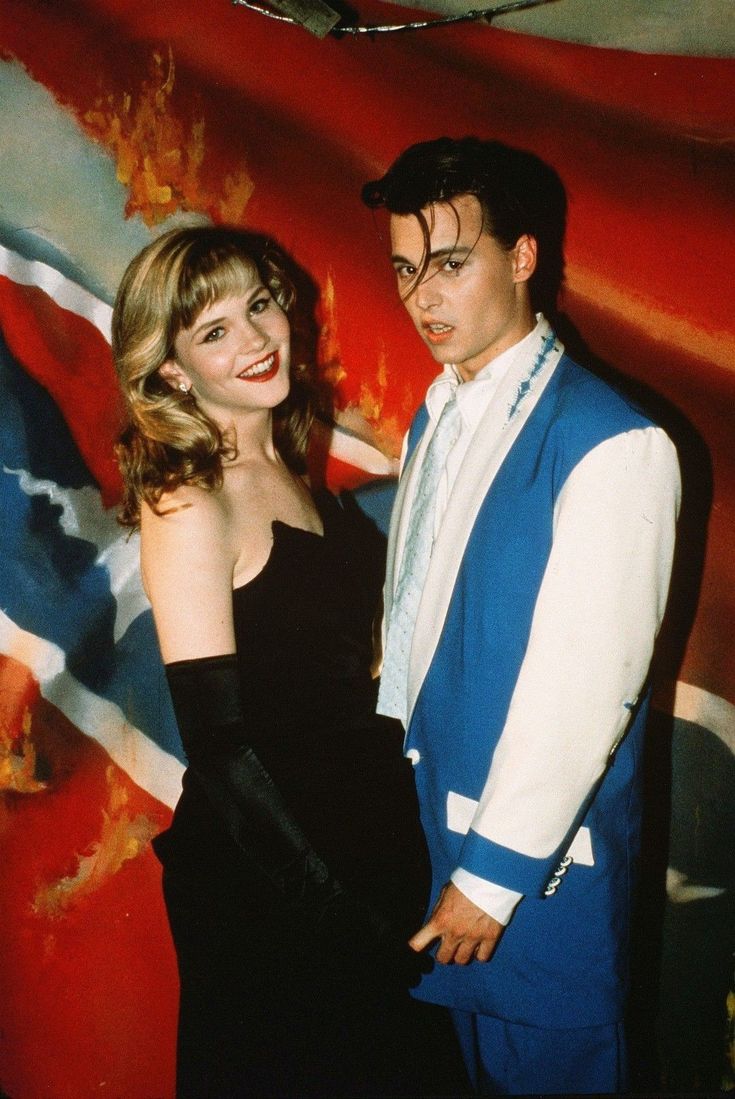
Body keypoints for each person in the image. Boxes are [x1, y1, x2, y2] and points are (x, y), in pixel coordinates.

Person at [111, 225, 466, 1098]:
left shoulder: (287, 461)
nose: (258, 338)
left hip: (360, 846)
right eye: (214, 330)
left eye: (259, 305)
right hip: (275, 883)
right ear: (170, 372)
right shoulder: (187, 499)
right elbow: (223, 753)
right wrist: (337, 912)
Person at [361, 137, 681, 1095]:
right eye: (406, 269)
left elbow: (583, 695)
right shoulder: (436, 412)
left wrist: (489, 877)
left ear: (522, 257)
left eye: (451, 264)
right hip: (433, 843)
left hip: (529, 878)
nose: (422, 297)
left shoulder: (612, 442)